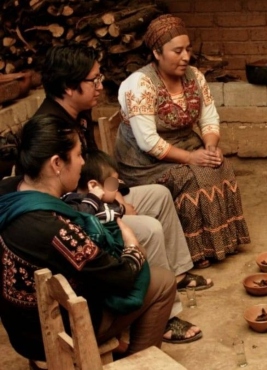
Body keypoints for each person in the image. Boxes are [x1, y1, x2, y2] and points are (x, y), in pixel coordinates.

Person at [34, 43, 209, 343]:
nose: (101, 86)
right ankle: (166, 314)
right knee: (150, 229)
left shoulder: (78, 113)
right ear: (68, 85)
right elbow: (67, 200)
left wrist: (117, 196)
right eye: (94, 80)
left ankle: (177, 275)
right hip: (80, 214)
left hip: (96, 196)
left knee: (158, 195)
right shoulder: (52, 129)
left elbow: (92, 172)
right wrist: (115, 211)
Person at [0, 115, 176, 364]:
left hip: (20, 326)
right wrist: (133, 247)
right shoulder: (53, 229)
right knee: (162, 282)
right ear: (56, 163)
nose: (83, 163)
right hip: (53, 332)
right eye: (79, 155)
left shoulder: (9, 190)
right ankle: (138, 362)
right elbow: (121, 278)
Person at [114, 15, 250, 267]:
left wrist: (210, 147)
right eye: (177, 51)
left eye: (187, 49)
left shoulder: (194, 76)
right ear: (156, 52)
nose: (186, 56)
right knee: (191, 176)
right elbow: (148, 142)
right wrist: (191, 158)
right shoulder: (140, 84)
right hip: (144, 161)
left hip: (187, 144)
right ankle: (196, 251)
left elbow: (209, 118)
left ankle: (221, 243)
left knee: (220, 166)